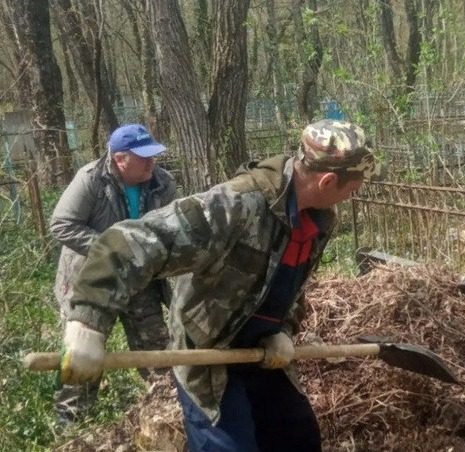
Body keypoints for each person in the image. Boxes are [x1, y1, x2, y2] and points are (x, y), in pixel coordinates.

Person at [58, 119, 380, 451]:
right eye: (353, 188)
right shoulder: (236, 206)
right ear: (327, 181)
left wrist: (283, 329)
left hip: (258, 351)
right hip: (207, 350)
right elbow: (125, 243)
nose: (353, 195)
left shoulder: (319, 219)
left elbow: (290, 284)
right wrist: (87, 323)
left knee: (297, 439)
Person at [51, 123, 176, 424]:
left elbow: (172, 227)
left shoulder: (162, 183)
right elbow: (62, 225)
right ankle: (72, 425)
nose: (151, 162)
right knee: (83, 354)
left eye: (153, 155)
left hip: (140, 281)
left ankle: (168, 415)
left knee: (158, 354)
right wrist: (112, 248)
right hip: (92, 282)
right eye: (143, 157)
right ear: (121, 159)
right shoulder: (91, 180)